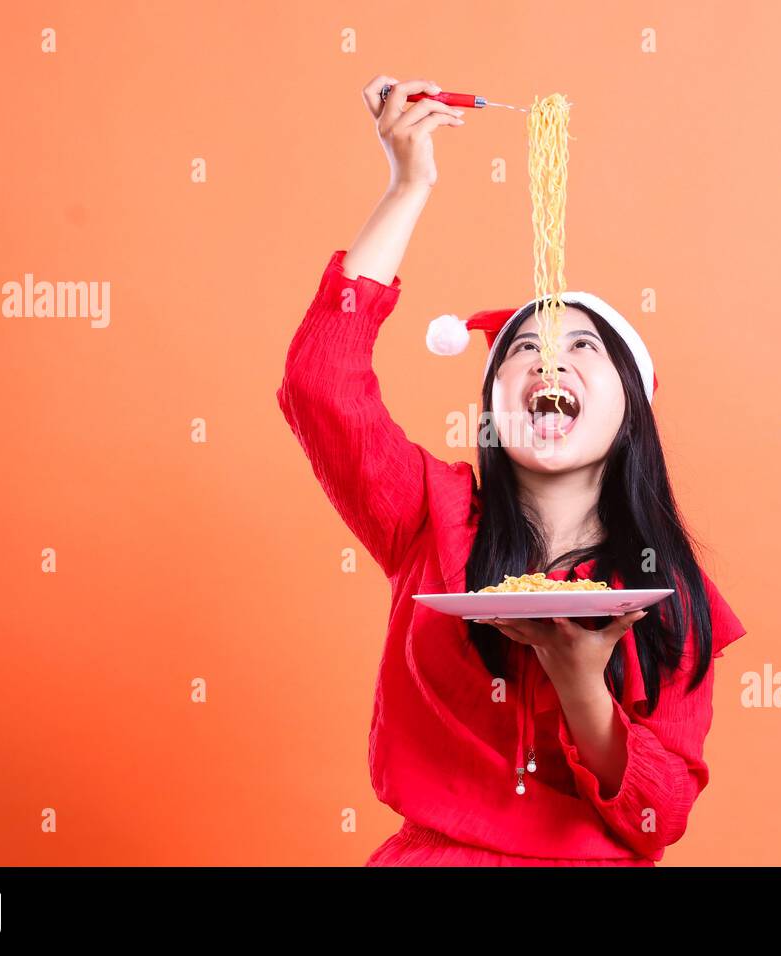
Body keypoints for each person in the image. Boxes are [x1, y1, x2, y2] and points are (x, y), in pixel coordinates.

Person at [276, 75, 747, 865]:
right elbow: (319, 386)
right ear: (493, 406)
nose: (547, 358)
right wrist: (407, 184)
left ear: (630, 410)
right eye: (524, 349)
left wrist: (579, 682)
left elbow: (659, 821)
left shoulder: (666, 585)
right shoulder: (431, 510)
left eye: (582, 348)